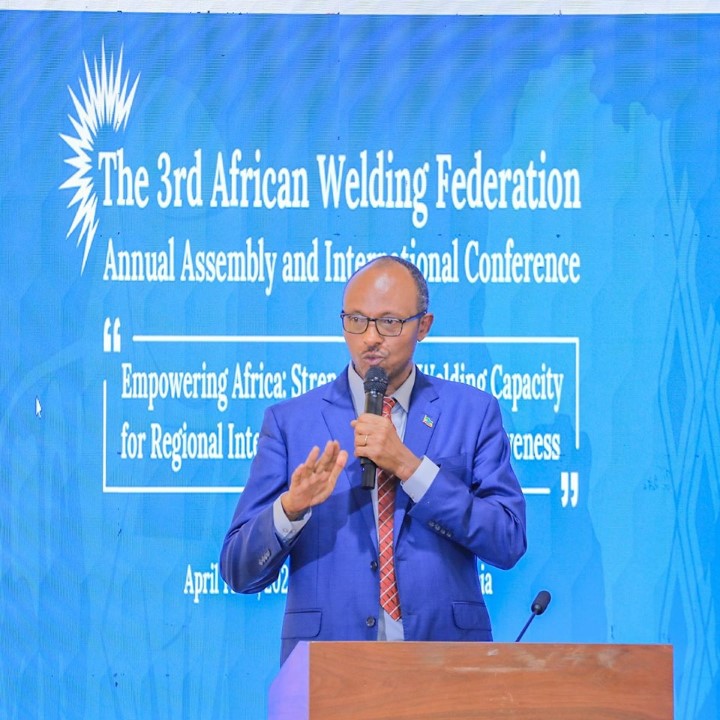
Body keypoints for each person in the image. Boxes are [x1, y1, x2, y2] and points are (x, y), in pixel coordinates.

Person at [220, 255, 527, 664]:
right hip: (330, 666)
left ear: (423, 326)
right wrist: (290, 509)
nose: (370, 338)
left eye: (389, 323)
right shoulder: (290, 422)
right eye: (356, 320)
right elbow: (238, 571)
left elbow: (507, 541)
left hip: (446, 662)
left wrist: (412, 469)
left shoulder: (473, 412)